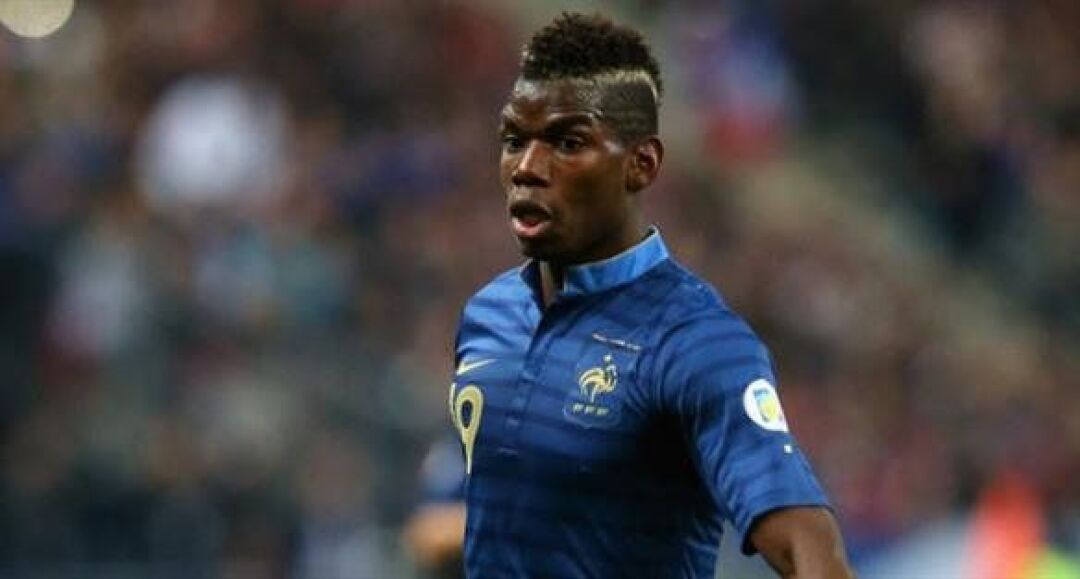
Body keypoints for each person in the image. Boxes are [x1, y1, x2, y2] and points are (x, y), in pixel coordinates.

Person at [448, 12, 854, 578]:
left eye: (568, 143)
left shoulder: (695, 340)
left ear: (641, 164)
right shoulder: (487, 316)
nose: (528, 168)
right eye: (514, 141)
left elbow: (807, 546)